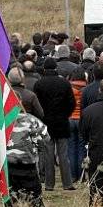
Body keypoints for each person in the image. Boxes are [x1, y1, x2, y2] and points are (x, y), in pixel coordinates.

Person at [1, 99, 50, 207]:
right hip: (27, 166)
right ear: (19, 102)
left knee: (10, 201)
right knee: (36, 199)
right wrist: (34, 145)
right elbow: (45, 138)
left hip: (8, 168)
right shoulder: (31, 120)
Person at [33, 58, 76, 191]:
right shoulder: (64, 83)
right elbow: (72, 103)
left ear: (45, 69)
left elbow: (37, 106)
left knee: (48, 154)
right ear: (56, 68)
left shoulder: (39, 84)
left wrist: (42, 118)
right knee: (63, 154)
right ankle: (67, 183)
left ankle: (49, 184)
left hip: (46, 122)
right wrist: (65, 115)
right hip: (62, 121)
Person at [67, 67, 87, 182]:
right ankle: (81, 174)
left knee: (71, 147)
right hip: (81, 119)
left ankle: (72, 174)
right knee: (81, 147)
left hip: (70, 118)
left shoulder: (69, 88)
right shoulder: (86, 88)